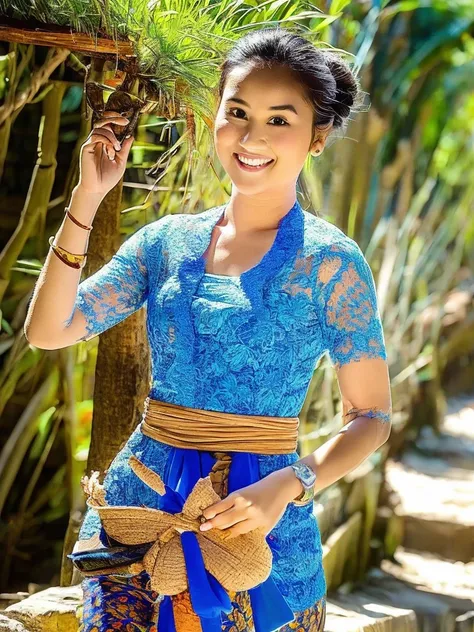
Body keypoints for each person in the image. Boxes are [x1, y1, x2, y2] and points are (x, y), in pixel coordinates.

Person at [24, 26, 392, 632]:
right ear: (215, 114)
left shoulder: (331, 263)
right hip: (139, 511)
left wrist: (288, 486)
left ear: (316, 138)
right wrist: (88, 197)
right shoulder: (167, 244)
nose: (252, 137)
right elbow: (50, 329)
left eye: (280, 120)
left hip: (259, 529)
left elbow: (372, 417)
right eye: (238, 112)